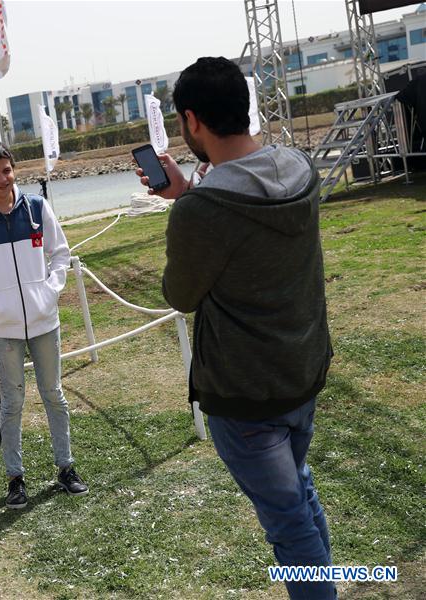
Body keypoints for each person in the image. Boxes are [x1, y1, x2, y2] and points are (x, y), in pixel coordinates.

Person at [136, 57, 334, 599]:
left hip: (247, 395)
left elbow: (181, 295)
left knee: (289, 526)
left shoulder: (203, 210)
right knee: (300, 496)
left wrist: (190, 200)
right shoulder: (299, 168)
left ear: (192, 121)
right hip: (302, 370)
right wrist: (191, 193)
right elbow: (245, 200)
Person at [0, 142, 88, 510]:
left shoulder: (37, 208)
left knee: (54, 394)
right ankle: (15, 478)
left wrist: (52, 290)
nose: (1, 178)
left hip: (45, 322)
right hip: (2, 329)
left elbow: (60, 253)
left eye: (6, 170)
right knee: (11, 403)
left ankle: (66, 467)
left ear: (14, 169)